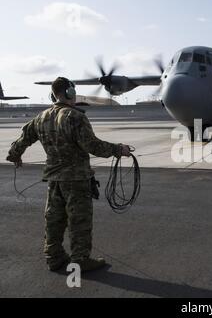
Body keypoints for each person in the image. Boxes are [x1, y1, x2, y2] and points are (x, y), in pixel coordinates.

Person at [6, 77, 132, 272]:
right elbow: (93, 146)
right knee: (79, 220)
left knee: (54, 219)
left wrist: (15, 156)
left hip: (54, 180)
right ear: (69, 93)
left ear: (52, 95)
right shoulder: (75, 117)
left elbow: (23, 139)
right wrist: (118, 149)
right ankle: (80, 259)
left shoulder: (41, 117)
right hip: (76, 180)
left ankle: (53, 257)